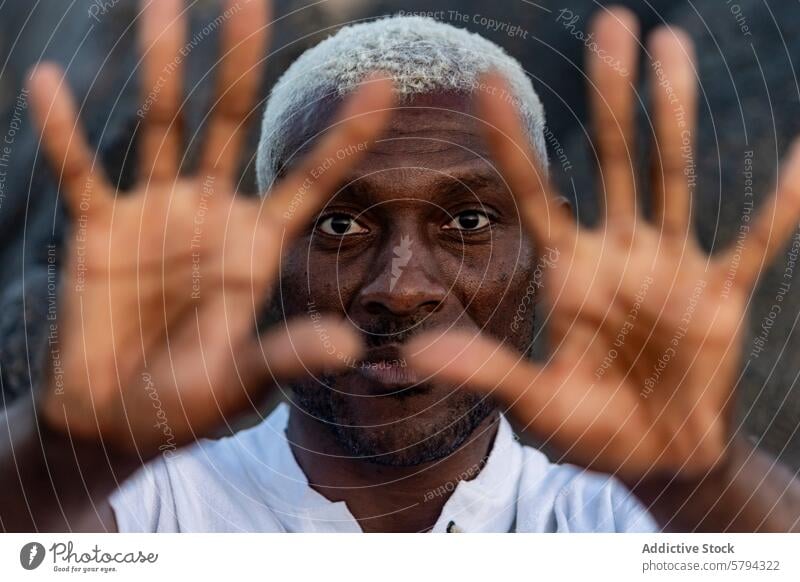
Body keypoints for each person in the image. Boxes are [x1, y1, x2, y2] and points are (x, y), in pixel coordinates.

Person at [3, 0, 800, 533]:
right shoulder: (137, 507)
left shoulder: (625, 523)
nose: (401, 288)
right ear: (261, 253)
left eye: (469, 221)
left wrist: (697, 480)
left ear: (544, 257)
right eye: (341, 223)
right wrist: (67, 452)